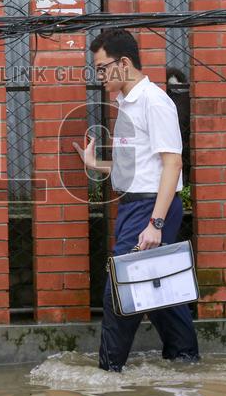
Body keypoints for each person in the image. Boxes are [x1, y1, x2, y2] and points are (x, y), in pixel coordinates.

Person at [74, 29, 200, 371]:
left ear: (123, 63)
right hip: (135, 205)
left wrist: (155, 223)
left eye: (102, 68)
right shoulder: (126, 104)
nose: (98, 76)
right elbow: (137, 165)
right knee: (157, 291)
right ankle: (186, 362)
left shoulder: (154, 102)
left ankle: (107, 373)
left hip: (150, 208)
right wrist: (95, 164)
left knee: (121, 289)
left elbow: (172, 162)